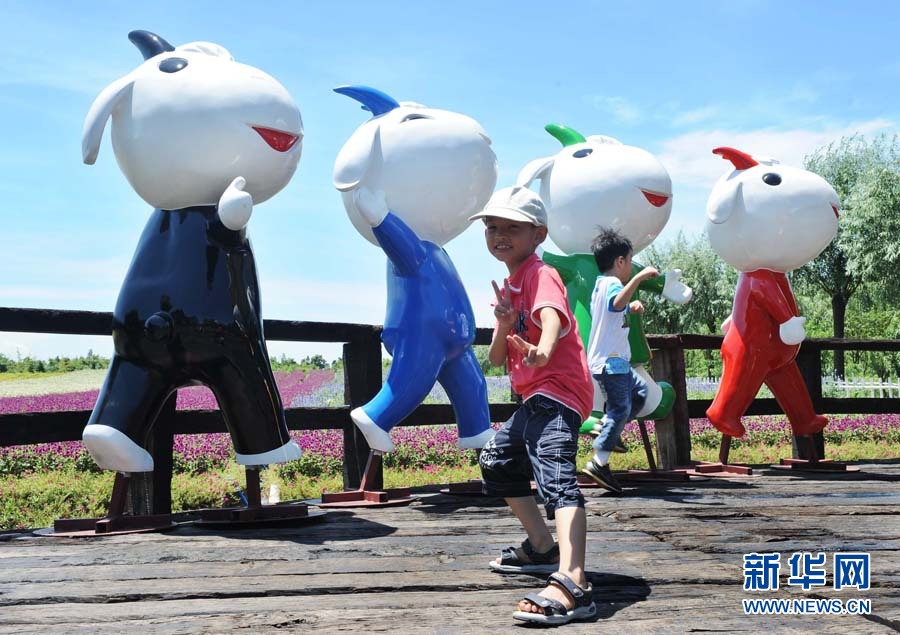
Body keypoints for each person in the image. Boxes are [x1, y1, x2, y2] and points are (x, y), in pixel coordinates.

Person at [469, 186, 597, 626]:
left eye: (511, 228)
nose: (499, 235)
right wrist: (504, 323)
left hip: (558, 390)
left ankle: (573, 580)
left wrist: (542, 350)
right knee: (497, 460)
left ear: (538, 233)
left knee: (557, 475)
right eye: (492, 228)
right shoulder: (510, 285)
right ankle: (543, 546)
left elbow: (552, 319)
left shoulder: (541, 274)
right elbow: (497, 358)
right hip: (536, 397)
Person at [581, 228, 658, 493]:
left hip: (612, 362)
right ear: (621, 262)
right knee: (620, 408)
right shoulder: (613, 284)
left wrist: (631, 307)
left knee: (640, 393)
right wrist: (639, 278)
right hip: (611, 362)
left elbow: (615, 308)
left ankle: (608, 431)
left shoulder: (600, 285)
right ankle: (599, 462)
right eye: (630, 261)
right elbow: (615, 303)